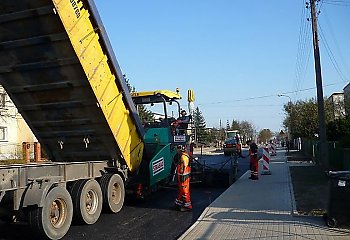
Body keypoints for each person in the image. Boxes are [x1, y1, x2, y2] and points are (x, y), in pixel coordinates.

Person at [174, 145, 192, 212]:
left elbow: (184, 165)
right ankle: (178, 203)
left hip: (183, 177)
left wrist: (181, 174)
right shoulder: (186, 155)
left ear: (180, 150)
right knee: (181, 191)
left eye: (177, 150)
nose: (177, 151)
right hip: (184, 176)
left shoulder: (183, 157)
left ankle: (188, 206)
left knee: (185, 191)